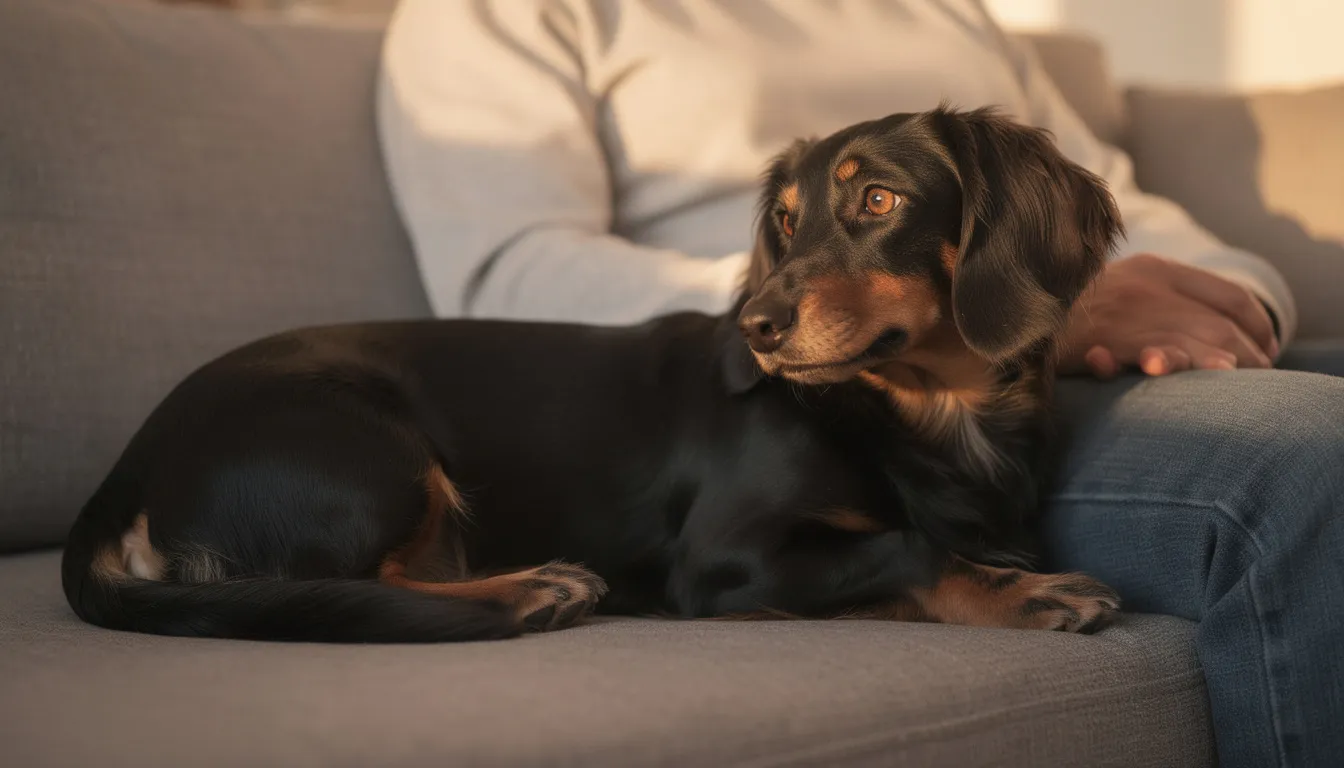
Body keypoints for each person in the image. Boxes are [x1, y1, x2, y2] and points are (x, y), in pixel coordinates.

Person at [375, 2, 1343, 765]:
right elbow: (508, 270)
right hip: (861, 401)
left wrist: (1235, 304)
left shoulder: (946, 10)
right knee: (1310, 454)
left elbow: (1111, 199)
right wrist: (855, 306)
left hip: (1047, 355)